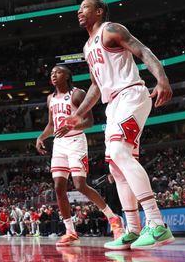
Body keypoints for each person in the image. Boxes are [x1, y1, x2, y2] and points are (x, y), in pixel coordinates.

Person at [61, 0, 174, 250]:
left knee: (121, 154)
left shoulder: (111, 29)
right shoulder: (88, 46)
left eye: (85, 8)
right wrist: (79, 114)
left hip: (131, 94)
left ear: (99, 11)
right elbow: (96, 85)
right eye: (78, 9)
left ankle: (157, 225)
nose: (79, 12)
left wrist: (162, 79)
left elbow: (144, 51)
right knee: (115, 169)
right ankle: (133, 229)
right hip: (113, 105)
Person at [36, 65, 124, 246]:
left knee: (80, 185)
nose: (54, 75)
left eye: (58, 72)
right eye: (52, 73)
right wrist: (41, 137)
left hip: (76, 141)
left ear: (67, 75)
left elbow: (89, 122)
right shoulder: (50, 98)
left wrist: (72, 126)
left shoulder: (77, 94)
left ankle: (113, 219)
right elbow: (52, 125)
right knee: (59, 187)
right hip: (59, 144)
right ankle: (70, 230)